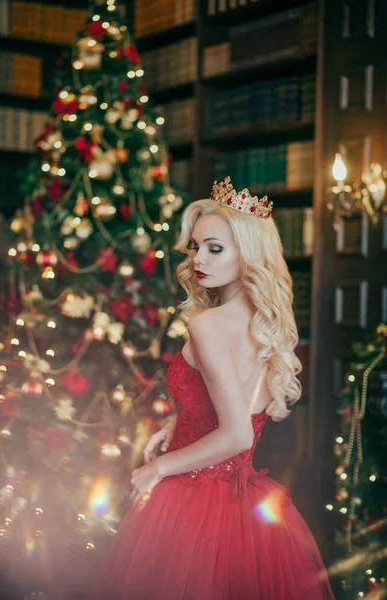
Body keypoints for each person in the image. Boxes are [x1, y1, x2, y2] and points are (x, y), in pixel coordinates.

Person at [96, 176, 335, 599]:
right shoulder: (268, 325)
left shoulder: (207, 325)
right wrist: (180, 423)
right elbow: (235, 405)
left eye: (215, 248)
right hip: (246, 508)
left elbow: (237, 433)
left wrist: (158, 468)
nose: (199, 259)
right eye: (197, 246)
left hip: (191, 498)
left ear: (248, 255)